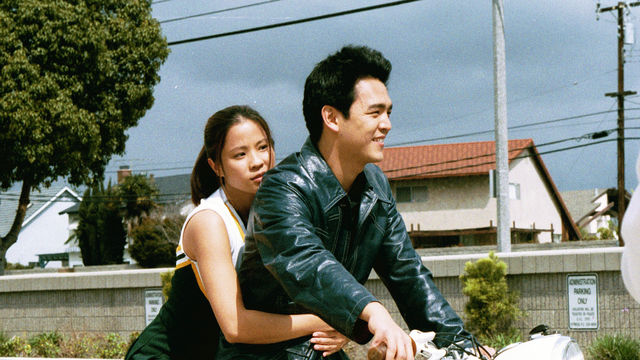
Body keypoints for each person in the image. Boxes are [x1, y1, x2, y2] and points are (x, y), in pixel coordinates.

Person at [217, 46, 475, 360]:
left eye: (389, 112)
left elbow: (408, 274)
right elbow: (306, 261)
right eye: (375, 112)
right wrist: (373, 312)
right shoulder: (282, 188)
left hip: (323, 352)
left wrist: (464, 346)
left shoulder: (376, 187)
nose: (387, 124)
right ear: (332, 118)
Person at [125, 105, 349, 360]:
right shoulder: (209, 221)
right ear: (216, 166)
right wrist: (322, 321)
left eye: (263, 147)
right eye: (240, 155)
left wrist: (338, 325)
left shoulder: (279, 210)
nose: (257, 162)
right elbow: (235, 326)